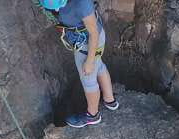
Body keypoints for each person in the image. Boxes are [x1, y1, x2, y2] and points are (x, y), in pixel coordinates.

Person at [39, 0, 119, 128]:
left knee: (89, 80)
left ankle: (93, 115)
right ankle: (110, 100)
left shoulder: (82, 4)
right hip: (89, 40)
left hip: (88, 44)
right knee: (99, 66)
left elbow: (93, 33)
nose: (57, 10)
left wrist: (90, 61)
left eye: (58, 7)